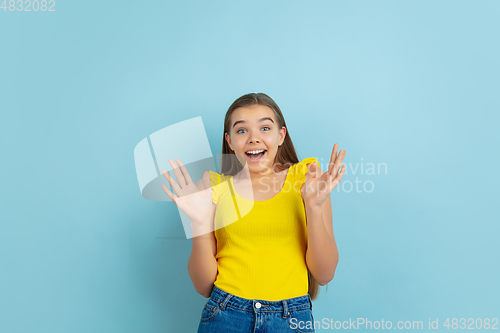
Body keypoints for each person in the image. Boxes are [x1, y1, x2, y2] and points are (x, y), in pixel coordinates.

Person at [161, 93, 346, 332]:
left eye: (265, 128)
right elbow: (203, 286)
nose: (253, 139)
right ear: (229, 141)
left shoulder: (307, 180)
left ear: (281, 136)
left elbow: (324, 274)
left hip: (291, 319)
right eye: (241, 131)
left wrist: (314, 207)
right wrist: (199, 223)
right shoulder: (213, 186)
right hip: (226, 314)